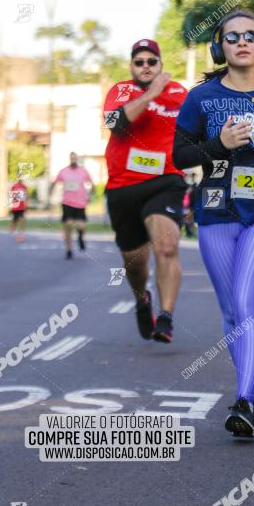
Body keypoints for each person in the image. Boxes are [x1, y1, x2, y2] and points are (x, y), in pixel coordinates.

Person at [172, 9, 254, 439]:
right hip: (215, 209)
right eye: (232, 37)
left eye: (251, 35)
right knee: (231, 310)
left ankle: (245, 400)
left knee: (248, 305)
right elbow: (180, 156)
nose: (242, 42)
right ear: (220, 47)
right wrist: (219, 144)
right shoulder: (202, 98)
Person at [103, 38, 188, 343]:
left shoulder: (180, 92)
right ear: (131, 66)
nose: (146, 66)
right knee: (136, 264)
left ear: (161, 64)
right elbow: (114, 123)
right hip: (123, 186)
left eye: (151, 61)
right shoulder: (121, 90)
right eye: (139, 62)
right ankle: (143, 299)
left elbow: (199, 128)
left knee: (167, 247)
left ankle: (165, 317)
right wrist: (151, 93)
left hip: (165, 181)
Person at [50, 153, 93, 260]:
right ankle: (69, 250)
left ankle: (80, 237)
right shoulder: (63, 171)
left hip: (80, 203)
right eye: (72, 158)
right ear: (69, 159)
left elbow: (92, 184)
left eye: (75, 158)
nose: (73, 160)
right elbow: (55, 182)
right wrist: (51, 192)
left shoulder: (83, 171)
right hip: (67, 203)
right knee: (68, 226)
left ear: (77, 159)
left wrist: (89, 195)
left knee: (81, 226)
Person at [9, 177, 28, 242]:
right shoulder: (14, 186)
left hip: (22, 207)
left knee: (22, 220)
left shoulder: (24, 187)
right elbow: (12, 197)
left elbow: (26, 196)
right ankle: (12, 228)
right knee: (15, 220)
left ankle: (20, 233)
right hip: (16, 207)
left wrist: (26, 204)